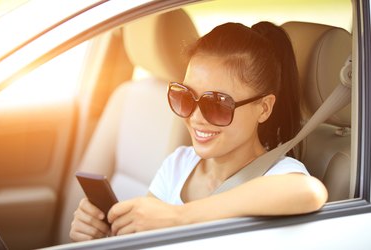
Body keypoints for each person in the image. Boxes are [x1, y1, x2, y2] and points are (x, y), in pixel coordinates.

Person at [69, 22, 328, 241]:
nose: (195, 117)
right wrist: (108, 233)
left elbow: (309, 191)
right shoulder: (179, 165)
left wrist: (179, 217)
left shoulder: (279, 175)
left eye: (216, 104)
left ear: (263, 108)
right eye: (186, 97)